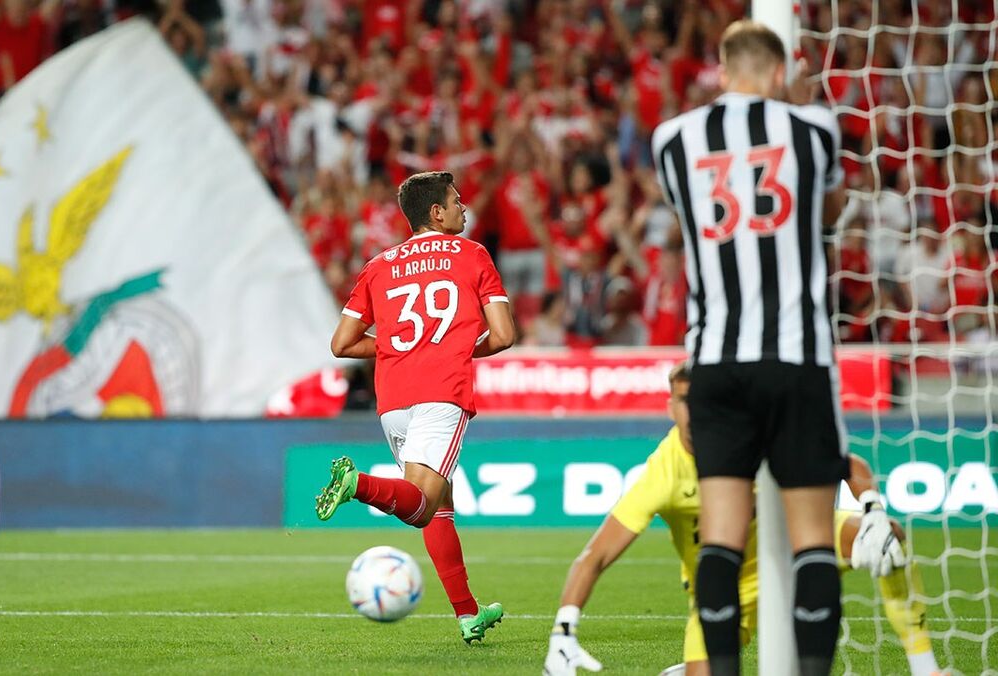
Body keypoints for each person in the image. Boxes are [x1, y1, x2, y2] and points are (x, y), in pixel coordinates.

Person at [648, 21, 849, 676]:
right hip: (796, 357)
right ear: (781, 72)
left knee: (722, 536)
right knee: (813, 539)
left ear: (722, 69)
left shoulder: (672, 139)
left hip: (716, 361)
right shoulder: (815, 129)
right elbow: (827, 211)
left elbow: (693, 214)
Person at [542, 364, 941, 676]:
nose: (693, 410)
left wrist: (872, 508)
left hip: (791, 538)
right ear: (670, 407)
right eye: (683, 400)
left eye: (700, 398)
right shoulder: (662, 475)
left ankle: (926, 667)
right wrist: (564, 627)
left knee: (888, 539)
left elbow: (842, 462)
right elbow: (596, 555)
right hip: (724, 583)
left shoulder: (750, 429)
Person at [318, 170, 516, 643]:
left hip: (392, 400)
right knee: (423, 505)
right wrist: (454, 347)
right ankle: (358, 484)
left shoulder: (379, 264)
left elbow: (341, 344)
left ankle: (468, 614)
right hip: (441, 392)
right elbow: (504, 335)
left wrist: (398, 346)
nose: (464, 207)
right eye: (456, 200)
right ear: (437, 212)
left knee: (440, 502)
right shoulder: (472, 254)